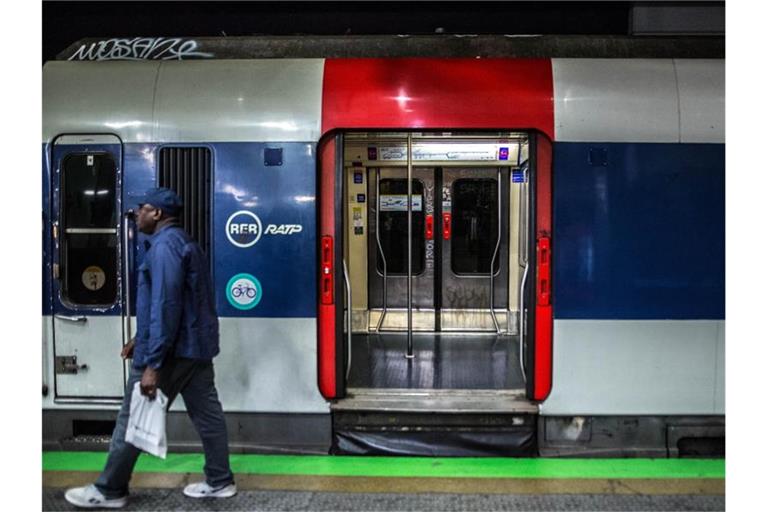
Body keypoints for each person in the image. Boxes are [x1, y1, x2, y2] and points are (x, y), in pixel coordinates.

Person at [65, 188, 236, 509]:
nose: (136, 215)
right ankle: (220, 480)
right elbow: (180, 304)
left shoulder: (163, 249)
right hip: (195, 349)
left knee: (133, 417)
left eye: (140, 209)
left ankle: (110, 489)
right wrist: (139, 339)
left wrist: (152, 361)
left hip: (170, 353)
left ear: (157, 213)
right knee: (208, 415)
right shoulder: (184, 243)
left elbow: (165, 304)